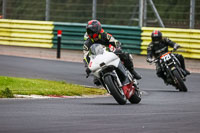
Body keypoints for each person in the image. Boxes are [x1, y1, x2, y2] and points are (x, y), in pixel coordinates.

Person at [83, 20, 141, 85]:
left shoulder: (104, 35)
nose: (91, 33)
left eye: (92, 31)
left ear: (97, 29)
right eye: (89, 31)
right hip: (98, 58)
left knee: (125, 55)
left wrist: (117, 47)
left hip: (110, 52)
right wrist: (88, 66)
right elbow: (85, 56)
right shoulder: (87, 43)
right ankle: (110, 86)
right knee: (96, 81)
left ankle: (132, 71)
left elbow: (114, 41)